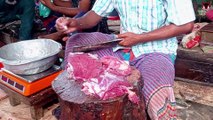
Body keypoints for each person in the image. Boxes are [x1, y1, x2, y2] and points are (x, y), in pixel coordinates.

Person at [56, 0, 195, 119]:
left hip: (155, 49)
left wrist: (140, 38)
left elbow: (186, 25)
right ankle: (70, 95)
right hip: (122, 45)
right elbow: (94, 15)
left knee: (156, 93)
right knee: (76, 41)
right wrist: (75, 22)